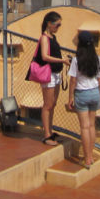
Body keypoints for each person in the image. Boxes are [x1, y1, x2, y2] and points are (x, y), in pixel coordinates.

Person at [66, 31, 100, 169]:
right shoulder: (98, 59)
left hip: (81, 94)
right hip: (94, 93)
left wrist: (70, 97)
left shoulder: (76, 60)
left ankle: (87, 157)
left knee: (84, 126)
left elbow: (73, 80)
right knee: (92, 125)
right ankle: (91, 156)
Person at [34, 11, 70, 145]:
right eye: (57, 24)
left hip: (55, 74)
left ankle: (50, 129)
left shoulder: (52, 37)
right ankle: (46, 135)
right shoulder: (44, 38)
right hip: (48, 74)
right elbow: (44, 56)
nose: (58, 27)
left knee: (53, 104)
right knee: (47, 105)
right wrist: (62, 61)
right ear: (49, 23)